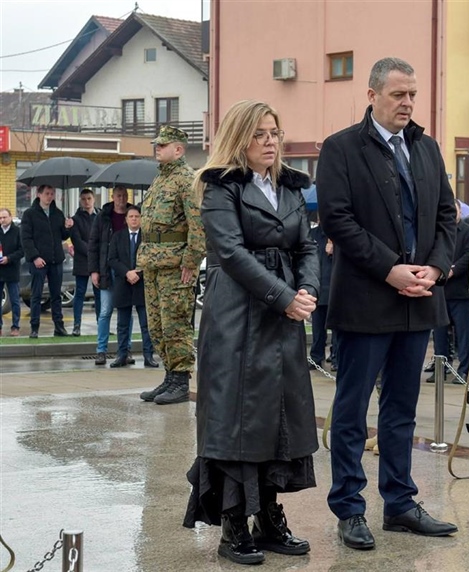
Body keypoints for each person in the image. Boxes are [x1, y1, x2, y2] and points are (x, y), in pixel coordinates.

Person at [316, 56, 458, 550]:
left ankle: (400, 503)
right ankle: (350, 508)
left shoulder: (426, 147)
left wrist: (435, 268)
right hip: (365, 299)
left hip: (419, 299)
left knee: (401, 409)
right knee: (353, 409)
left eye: (413, 94)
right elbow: (338, 220)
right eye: (399, 94)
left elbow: (447, 215)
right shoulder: (341, 149)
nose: (408, 103)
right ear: (372, 95)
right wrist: (389, 269)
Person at [182, 100, 320, 566]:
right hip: (237, 312)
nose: (269, 142)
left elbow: (308, 246)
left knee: (277, 413)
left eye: (274, 133)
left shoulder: (291, 188)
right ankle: (234, 522)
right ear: (239, 138)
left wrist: (308, 290)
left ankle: (270, 515)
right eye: (259, 134)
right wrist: (285, 297)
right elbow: (231, 252)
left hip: (281, 317)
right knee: (238, 415)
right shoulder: (220, 187)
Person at [137, 125, 205, 405]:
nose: (158, 148)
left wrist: (192, 260)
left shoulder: (186, 180)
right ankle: (169, 375)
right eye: (157, 144)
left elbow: (198, 225)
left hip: (176, 265)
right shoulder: (160, 180)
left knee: (175, 322)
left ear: (178, 149)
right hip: (153, 262)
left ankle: (180, 380)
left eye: (163, 145)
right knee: (157, 325)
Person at [89, 187, 134, 365]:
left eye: (124, 196)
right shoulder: (103, 217)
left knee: (126, 312)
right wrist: (94, 271)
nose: (121, 199)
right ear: (112, 197)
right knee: (105, 311)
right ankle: (101, 350)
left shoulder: (133, 215)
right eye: (118, 196)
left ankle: (126, 349)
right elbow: (93, 244)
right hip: (106, 270)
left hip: (126, 272)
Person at [20, 184, 73, 338]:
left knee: (56, 295)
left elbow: (62, 235)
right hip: (38, 261)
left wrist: (68, 227)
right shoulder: (29, 214)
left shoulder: (57, 213)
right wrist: (35, 256)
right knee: (36, 295)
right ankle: (34, 328)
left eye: (52, 194)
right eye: (47, 193)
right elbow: (26, 238)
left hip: (56, 260)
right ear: (39, 194)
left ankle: (59, 327)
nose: (50, 197)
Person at [106, 206, 157, 368]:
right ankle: (122, 354)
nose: (134, 219)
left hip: (142, 284)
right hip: (123, 283)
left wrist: (138, 273)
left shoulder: (147, 238)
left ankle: (148, 355)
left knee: (146, 323)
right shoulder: (117, 236)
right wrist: (127, 272)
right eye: (131, 216)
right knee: (122, 323)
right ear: (126, 219)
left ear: (141, 218)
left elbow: (151, 258)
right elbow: (112, 259)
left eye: (137, 216)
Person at [431, 199, 469, 381]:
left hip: (461, 293)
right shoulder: (438, 232)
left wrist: (453, 270)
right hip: (440, 292)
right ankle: (441, 368)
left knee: (463, 336)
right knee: (439, 335)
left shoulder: (468, 232)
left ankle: (463, 370)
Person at [70, 188, 100, 336]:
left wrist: (98, 254)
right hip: (82, 261)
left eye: (89, 198)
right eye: (84, 199)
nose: (86, 201)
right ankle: (77, 325)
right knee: (80, 294)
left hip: (99, 262)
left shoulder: (100, 216)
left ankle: (102, 325)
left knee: (99, 294)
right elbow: (77, 240)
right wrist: (92, 252)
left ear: (93, 199)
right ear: (80, 201)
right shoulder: (76, 219)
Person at [309, 217, 337, 372]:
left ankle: (336, 358)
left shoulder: (339, 233)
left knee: (337, 329)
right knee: (318, 327)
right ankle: (316, 357)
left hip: (336, 287)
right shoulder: (312, 234)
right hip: (318, 286)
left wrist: (334, 247)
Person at [0, 208, 24, 337]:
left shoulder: (17, 232)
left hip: (12, 270)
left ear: (10, 217)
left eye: (4, 217)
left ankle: (15, 326)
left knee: (14, 300)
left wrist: (9, 258)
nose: (2, 220)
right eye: (0, 218)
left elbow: (22, 251)